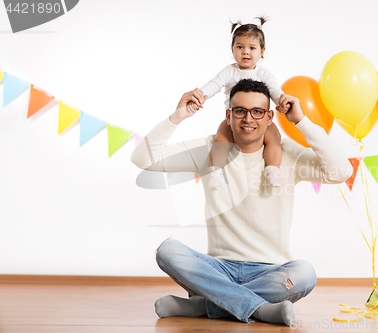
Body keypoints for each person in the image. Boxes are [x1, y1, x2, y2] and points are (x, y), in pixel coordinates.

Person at [130, 79, 353, 326]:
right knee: (168, 252)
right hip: (217, 268)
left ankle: (205, 305)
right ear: (228, 115)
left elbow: (341, 172)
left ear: (269, 117)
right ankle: (258, 308)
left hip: (270, 270)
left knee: (305, 273)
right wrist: (178, 116)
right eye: (240, 111)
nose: (248, 119)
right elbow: (143, 159)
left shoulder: (288, 154)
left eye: (257, 111)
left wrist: (301, 121)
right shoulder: (209, 149)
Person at [195, 16, 290, 190]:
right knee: (221, 139)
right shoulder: (229, 71)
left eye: (252, 48)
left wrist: (282, 101)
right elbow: (214, 84)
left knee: (274, 137)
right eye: (240, 47)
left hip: (259, 120)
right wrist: (201, 95)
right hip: (234, 120)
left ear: (262, 51)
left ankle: (272, 169)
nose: (245, 52)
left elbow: (275, 90)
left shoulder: (264, 74)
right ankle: (216, 171)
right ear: (232, 49)